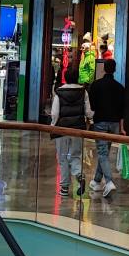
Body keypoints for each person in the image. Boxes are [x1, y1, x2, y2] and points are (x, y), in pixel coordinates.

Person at [50, 63, 91, 197]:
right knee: (75, 155)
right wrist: (91, 120)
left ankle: (64, 188)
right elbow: (88, 112)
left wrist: (52, 126)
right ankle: (79, 176)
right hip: (78, 129)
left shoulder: (59, 92)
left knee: (62, 158)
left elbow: (55, 113)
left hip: (61, 129)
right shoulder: (83, 92)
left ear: (65, 78)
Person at [87, 58, 125, 198]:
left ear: (104, 68)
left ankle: (109, 181)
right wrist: (122, 127)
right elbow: (122, 109)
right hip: (114, 124)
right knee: (104, 152)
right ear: (114, 69)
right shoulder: (120, 87)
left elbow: (92, 106)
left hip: (100, 122)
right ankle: (96, 181)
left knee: (102, 153)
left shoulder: (96, 85)